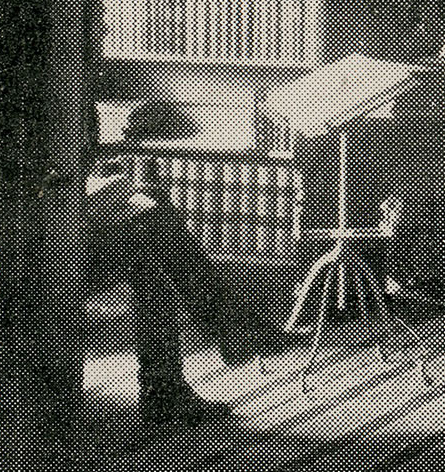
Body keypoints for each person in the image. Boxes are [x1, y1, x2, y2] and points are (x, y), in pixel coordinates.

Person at [87, 101, 302, 425]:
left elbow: (88, 174)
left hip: (82, 236)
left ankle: (179, 379)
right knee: (154, 232)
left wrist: (112, 191)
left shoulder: (74, 100)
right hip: (53, 256)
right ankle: (230, 329)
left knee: (152, 241)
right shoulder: (53, 103)